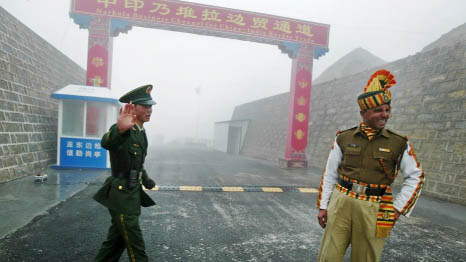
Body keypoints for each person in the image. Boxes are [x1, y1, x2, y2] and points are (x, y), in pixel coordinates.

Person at [316, 69, 425, 262]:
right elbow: (330, 173)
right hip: (341, 202)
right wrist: (323, 206)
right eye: (378, 110)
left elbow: (416, 176)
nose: (385, 115)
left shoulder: (398, 143)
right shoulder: (344, 137)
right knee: (328, 257)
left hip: (375, 208)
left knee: (366, 258)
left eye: (387, 110)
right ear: (363, 113)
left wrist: (398, 209)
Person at [94, 84, 157, 262]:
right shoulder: (124, 130)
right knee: (136, 246)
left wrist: (146, 179)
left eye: (150, 106)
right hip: (121, 195)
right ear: (132, 107)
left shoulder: (140, 131)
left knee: (116, 242)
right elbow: (107, 142)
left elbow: (136, 162)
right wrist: (120, 129)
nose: (149, 109)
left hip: (131, 194)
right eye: (144, 106)